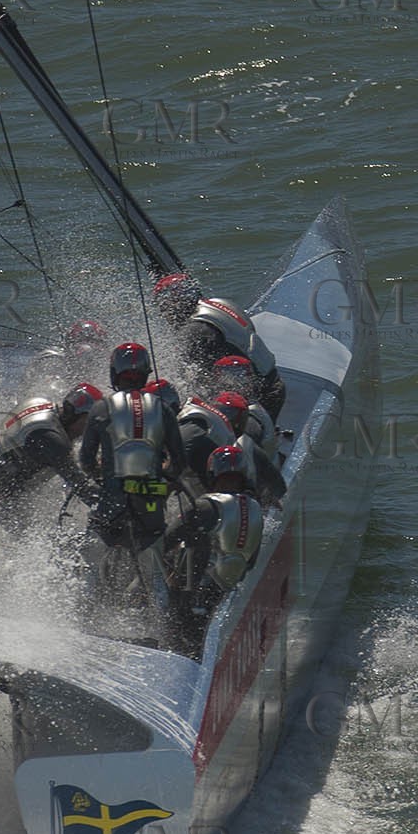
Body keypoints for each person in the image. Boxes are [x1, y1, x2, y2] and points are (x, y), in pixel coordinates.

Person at [79, 343, 185, 558]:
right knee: (154, 550)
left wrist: (100, 476)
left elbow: (86, 459)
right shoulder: (163, 408)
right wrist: (163, 481)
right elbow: (180, 461)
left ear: (114, 372)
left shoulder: (102, 407)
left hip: (113, 500)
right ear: (145, 374)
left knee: (93, 547)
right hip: (151, 500)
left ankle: (86, 586)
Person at [0, 382, 102, 536]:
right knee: (39, 543)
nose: (90, 431)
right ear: (76, 416)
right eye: (89, 424)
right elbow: (81, 486)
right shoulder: (50, 440)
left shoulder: (41, 403)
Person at [163, 443, 265, 639]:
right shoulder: (256, 510)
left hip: (190, 595)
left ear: (212, 472)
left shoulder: (207, 506)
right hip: (222, 598)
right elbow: (251, 561)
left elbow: (167, 540)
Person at [153, 272, 286, 420]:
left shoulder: (194, 331)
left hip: (260, 402)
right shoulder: (219, 304)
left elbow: (190, 378)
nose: (164, 314)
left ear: (175, 305)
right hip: (273, 383)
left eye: (164, 307)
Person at [17, 318, 111, 400]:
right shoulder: (53, 362)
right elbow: (34, 389)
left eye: (93, 342)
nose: (86, 350)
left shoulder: (108, 368)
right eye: (81, 342)